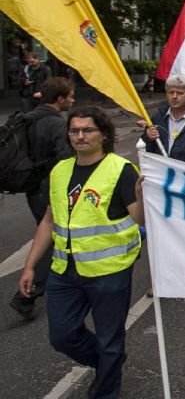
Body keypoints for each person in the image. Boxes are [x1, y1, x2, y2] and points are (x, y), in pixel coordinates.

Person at [18, 107, 144, 398]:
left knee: (109, 339)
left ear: (103, 134)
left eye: (87, 130)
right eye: (74, 130)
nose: (80, 136)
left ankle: (106, 388)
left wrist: (140, 197)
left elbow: (140, 219)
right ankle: (108, 363)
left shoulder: (121, 170)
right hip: (65, 271)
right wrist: (29, 267)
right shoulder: (60, 171)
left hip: (109, 272)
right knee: (61, 336)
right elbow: (49, 220)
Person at [8, 77, 75, 320]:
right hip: (49, 186)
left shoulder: (29, 116)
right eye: (70, 96)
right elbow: (66, 159)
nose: (72, 100)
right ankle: (26, 296)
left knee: (51, 234)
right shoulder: (56, 123)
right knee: (52, 239)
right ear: (59, 99)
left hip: (30, 185)